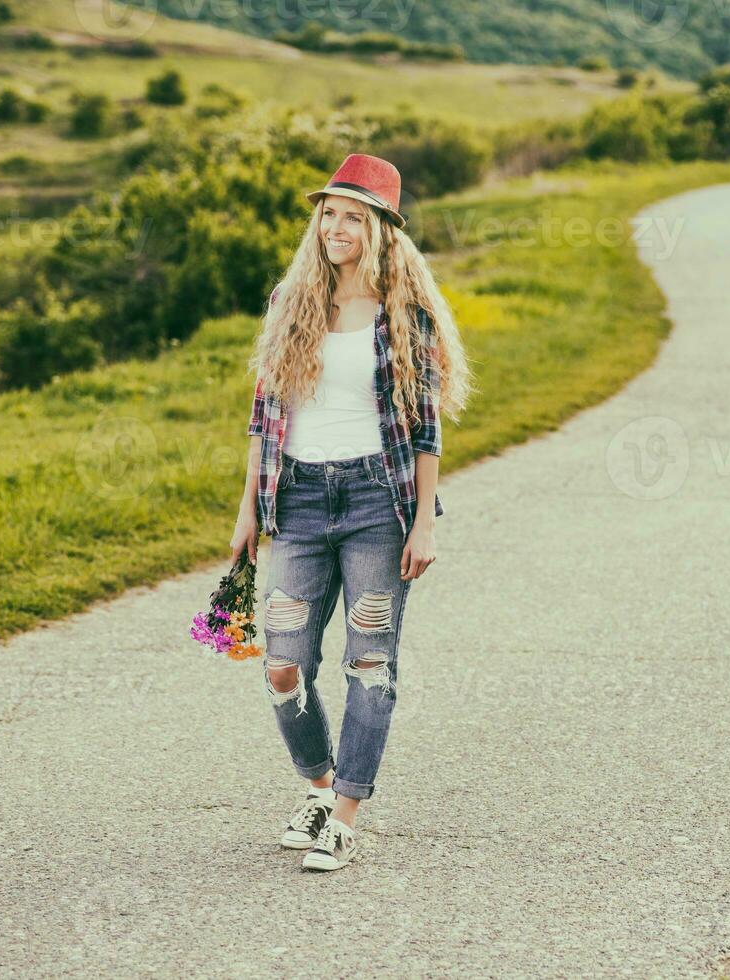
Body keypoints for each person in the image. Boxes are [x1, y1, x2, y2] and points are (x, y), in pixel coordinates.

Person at [230, 153, 474, 872]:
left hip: (376, 502)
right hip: (298, 501)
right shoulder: (290, 301)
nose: (335, 228)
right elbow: (262, 418)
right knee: (281, 664)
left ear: (382, 231)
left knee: (369, 662)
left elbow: (424, 429)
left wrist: (424, 520)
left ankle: (344, 816)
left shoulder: (408, 315)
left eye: (352, 217)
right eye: (328, 214)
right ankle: (317, 786)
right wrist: (248, 511)